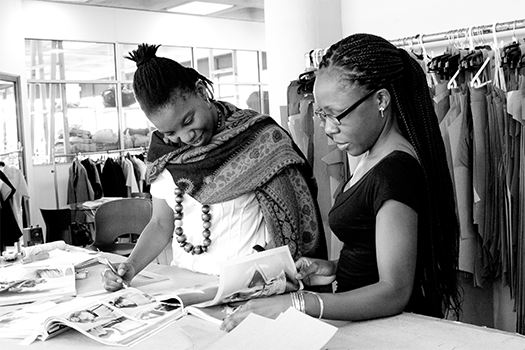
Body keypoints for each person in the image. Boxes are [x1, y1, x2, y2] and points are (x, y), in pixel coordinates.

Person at [221, 33, 462, 331]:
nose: (327, 129)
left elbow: (394, 291)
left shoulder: (395, 171)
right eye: (322, 115)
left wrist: (296, 304)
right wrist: (334, 269)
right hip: (365, 324)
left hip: (384, 331)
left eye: (336, 116)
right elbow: (376, 255)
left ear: (381, 100)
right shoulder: (374, 155)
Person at [102, 44, 326, 291]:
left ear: (201, 92)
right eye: (171, 133)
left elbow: (292, 213)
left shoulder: (259, 138)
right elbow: (160, 224)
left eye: (188, 121)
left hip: (248, 289)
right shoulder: (164, 155)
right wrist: (130, 266)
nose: (186, 138)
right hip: (184, 288)